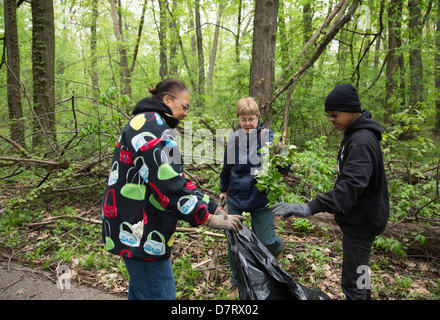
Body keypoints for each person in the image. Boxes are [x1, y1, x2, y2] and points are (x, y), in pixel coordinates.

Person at [102, 78, 245, 300]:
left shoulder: (157, 125)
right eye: (184, 106)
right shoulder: (149, 124)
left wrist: (213, 207)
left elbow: (178, 179)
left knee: (143, 292)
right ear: (167, 100)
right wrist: (206, 218)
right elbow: (166, 185)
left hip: (145, 229)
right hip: (140, 231)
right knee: (159, 293)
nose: (186, 113)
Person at [273, 83, 389, 300]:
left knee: (353, 283)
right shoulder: (356, 134)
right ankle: (364, 294)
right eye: (328, 115)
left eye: (335, 114)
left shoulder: (361, 141)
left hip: (361, 222)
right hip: (363, 219)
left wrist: (309, 207)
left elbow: (350, 187)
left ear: (352, 109)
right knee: (360, 271)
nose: (331, 119)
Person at [220, 97, 286, 286]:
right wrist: (223, 189)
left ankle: (270, 256)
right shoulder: (234, 139)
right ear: (238, 119)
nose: (248, 123)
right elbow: (227, 166)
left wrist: (281, 160)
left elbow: (283, 168)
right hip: (236, 195)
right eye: (243, 119)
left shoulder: (268, 137)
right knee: (234, 241)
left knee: (266, 240)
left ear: (258, 118)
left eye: (251, 119)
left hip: (260, 196)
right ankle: (237, 278)